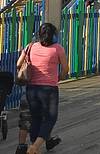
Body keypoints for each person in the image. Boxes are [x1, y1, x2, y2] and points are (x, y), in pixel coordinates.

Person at [16, 23, 68, 154]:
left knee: (36, 118)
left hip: (31, 89)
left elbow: (18, 64)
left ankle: (34, 146)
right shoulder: (57, 49)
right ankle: (35, 147)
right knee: (50, 118)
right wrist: (59, 78)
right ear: (53, 35)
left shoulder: (30, 46)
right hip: (49, 89)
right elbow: (65, 69)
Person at [15, 86, 61, 154]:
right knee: (44, 120)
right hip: (38, 94)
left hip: (26, 95)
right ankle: (39, 145)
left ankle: (21, 146)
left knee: (24, 122)